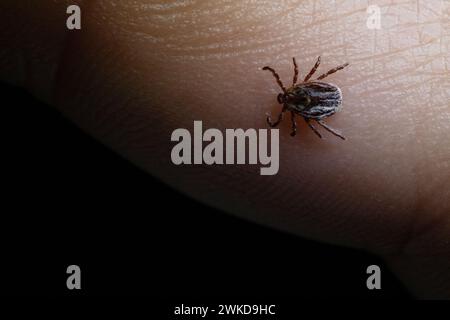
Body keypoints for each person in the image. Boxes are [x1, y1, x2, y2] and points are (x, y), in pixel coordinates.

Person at [1, 0, 449, 298]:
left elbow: (305, 111)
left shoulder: (295, 103)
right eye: (287, 96)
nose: (286, 97)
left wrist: (303, 122)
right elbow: (308, 101)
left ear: (291, 90)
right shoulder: (299, 98)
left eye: (287, 94)